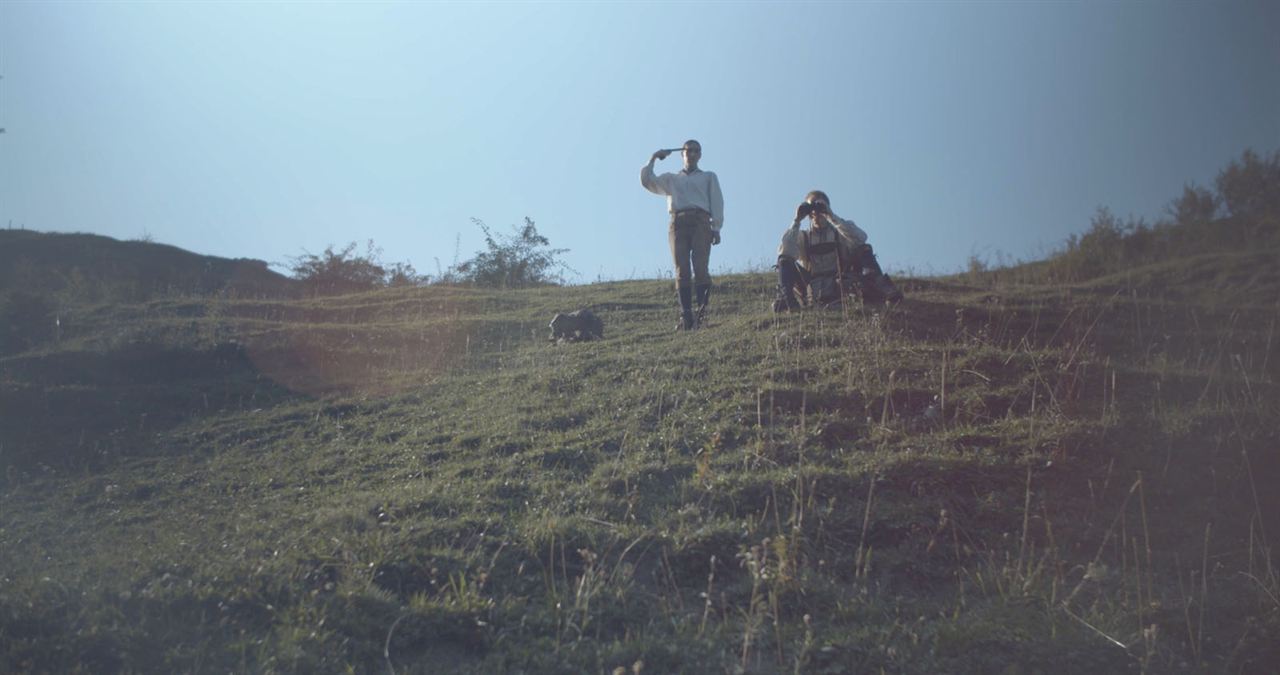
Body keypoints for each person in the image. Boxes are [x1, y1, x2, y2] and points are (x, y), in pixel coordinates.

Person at [641, 139, 724, 330]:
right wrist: (653, 157)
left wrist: (716, 227)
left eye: (696, 151)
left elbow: (717, 201)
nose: (692, 154)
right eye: (689, 150)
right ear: (682, 154)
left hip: (701, 221)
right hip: (677, 223)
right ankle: (686, 315)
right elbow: (648, 181)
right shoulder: (672, 179)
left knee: (701, 267)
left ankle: (701, 314)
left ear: (700, 155)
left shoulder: (708, 177)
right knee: (682, 269)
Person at [774, 190, 902, 311]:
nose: (815, 211)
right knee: (784, 260)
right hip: (811, 286)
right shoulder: (803, 237)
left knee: (863, 249)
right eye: (810, 208)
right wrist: (796, 221)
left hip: (842, 282)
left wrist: (831, 216)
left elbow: (860, 238)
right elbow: (785, 250)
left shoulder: (841, 231)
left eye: (819, 206)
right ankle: (786, 300)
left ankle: (883, 289)